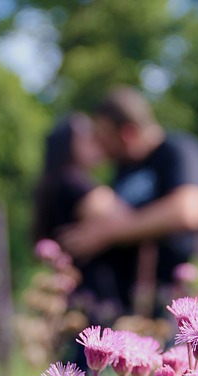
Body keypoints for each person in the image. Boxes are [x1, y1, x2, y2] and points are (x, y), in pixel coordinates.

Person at [57, 86, 198, 318]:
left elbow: (190, 210)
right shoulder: (123, 170)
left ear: (127, 133)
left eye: (105, 137)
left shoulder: (179, 149)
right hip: (135, 306)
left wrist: (108, 233)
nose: (101, 146)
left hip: (182, 301)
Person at [33, 112, 133, 323]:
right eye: (90, 137)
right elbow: (123, 216)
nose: (98, 143)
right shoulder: (73, 182)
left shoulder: (51, 183)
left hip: (73, 298)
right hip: (94, 299)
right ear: (70, 144)